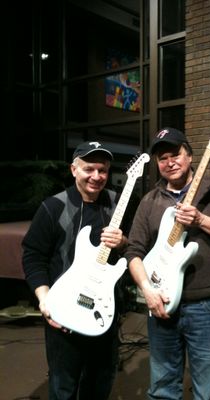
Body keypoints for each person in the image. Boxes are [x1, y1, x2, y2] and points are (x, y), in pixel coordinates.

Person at [125, 127, 210, 400]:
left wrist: (201, 220)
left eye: (176, 154)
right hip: (160, 307)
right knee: (162, 388)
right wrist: (147, 291)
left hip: (207, 309)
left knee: (208, 392)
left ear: (190, 156)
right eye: (162, 158)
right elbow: (133, 252)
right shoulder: (150, 201)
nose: (169, 162)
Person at [22, 141, 130, 400]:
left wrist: (124, 243)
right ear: (73, 169)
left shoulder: (119, 204)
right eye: (89, 169)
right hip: (64, 314)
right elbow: (33, 256)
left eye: (102, 170)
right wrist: (44, 299)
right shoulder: (53, 207)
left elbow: (136, 251)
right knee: (63, 387)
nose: (96, 177)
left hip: (104, 311)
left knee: (100, 383)